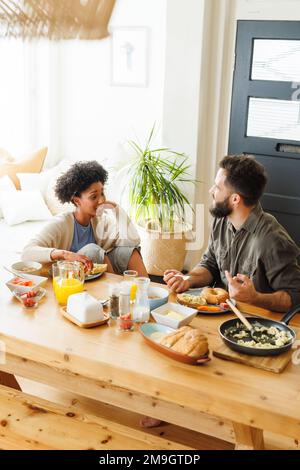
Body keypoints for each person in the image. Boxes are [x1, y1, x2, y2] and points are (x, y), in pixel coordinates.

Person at [164, 154, 300, 312]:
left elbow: (295, 296)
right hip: (223, 313)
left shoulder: (272, 239)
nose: (211, 191)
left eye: (217, 187)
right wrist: (188, 279)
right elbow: (210, 264)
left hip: (258, 323)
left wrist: (255, 298)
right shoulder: (222, 219)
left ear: (235, 199)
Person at [22, 160, 148, 276]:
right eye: (94, 197)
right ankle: (115, 293)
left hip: (92, 274)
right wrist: (65, 254)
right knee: (92, 249)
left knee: (128, 251)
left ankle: (148, 295)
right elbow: (26, 253)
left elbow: (133, 241)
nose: (101, 200)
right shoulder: (61, 223)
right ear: (77, 201)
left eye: (102, 193)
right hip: (69, 278)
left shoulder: (101, 221)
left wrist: (116, 209)